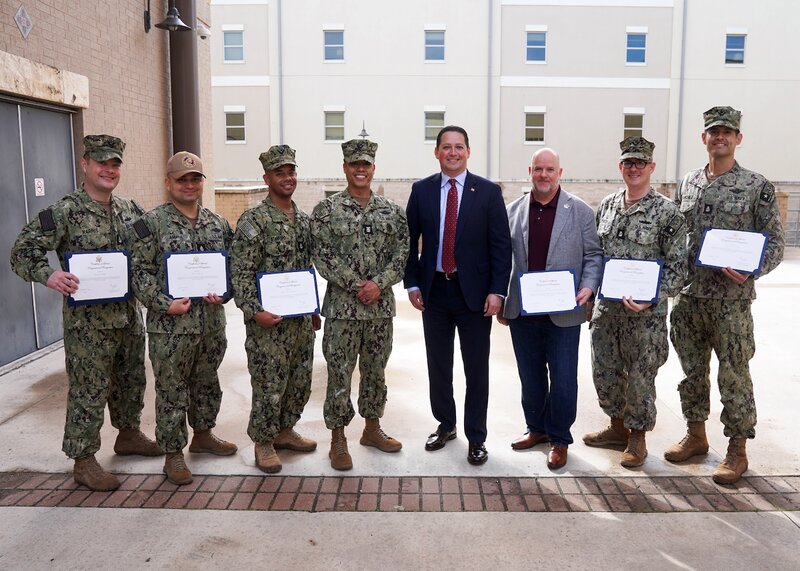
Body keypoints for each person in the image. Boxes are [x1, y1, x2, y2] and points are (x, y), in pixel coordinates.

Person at [10, 135, 161, 491]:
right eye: (101, 162)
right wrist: (49, 275)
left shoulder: (130, 209)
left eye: (114, 164)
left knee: (131, 380)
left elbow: (153, 248)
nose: (108, 170)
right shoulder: (63, 212)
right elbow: (22, 251)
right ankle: (83, 460)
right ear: (85, 164)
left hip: (127, 317)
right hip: (88, 326)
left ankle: (128, 435)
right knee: (88, 389)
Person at [666, 106, 784, 484]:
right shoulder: (688, 183)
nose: (720, 137)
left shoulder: (756, 186)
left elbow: (775, 244)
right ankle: (696, 435)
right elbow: (679, 237)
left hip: (731, 301)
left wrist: (752, 269)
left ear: (738, 138)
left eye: (727, 132)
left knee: (734, 375)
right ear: (704, 138)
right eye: (713, 132)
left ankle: (737, 449)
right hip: (689, 298)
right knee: (692, 372)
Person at [404, 126, 512, 466]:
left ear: (468, 152)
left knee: (476, 368)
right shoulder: (421, 191)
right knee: (439, 365)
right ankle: (446, 424)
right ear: (436, 152)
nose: (453, 152)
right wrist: (412, 284)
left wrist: (497, 291)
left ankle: (476, 436)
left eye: (459, 147)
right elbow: (408, 242)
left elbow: (501, 247)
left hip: (475, 297)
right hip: (434, 292)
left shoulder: (488, 192)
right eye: (447, 147)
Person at [130, 151, 237, 486]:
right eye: (182, 179)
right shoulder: (150, 224)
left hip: (211, 324)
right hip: (171, 328)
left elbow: (232, 268)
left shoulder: (217, 223)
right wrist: (165, 303)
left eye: (195, 179)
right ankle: (173, 453)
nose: (189, 185)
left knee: (207, 381)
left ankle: (203, 435)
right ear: (168, 182)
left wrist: (225, 294)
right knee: (172, 389)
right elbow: (138, 273)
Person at [582, 137, 687, 468]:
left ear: (651, 166)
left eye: (640, 162)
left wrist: (651, 297)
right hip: (608, 313)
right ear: (621, 167)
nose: (634, 168)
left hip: (645, 317)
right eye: (628, 162)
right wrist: (589, 294)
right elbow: (595, 256)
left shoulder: (667, 213)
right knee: (605, 371)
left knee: (641, 377)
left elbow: (678, 268)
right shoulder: (608, 206)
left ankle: (637, 438)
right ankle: (616, 428)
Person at [499, 148, 602, 470]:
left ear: (560, 172)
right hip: (523, 311)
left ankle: (559, 438)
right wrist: (502, 298)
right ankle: (536, 428)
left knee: (563, 378)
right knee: (530, 375)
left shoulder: (580, 211)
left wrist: (589, 286)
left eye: (550, 169)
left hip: (565, 311)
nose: (543, 175)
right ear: (530, 171)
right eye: (538, 169)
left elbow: (594, 255)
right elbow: (503, 259)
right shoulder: (512, 211)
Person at [311, 139, 409, 471]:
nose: (360, 169)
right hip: (342, 310)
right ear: (345, 168)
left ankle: (372, 428)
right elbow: (322, 256)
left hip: (379, 310)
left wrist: (378, 283)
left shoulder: (392, 211)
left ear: (374, 168)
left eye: (366, 164)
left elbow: (402, 254)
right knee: (339, 373)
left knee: (375, 372)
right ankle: (338, 438)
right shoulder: (326, 211)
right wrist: (357, 285)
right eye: (355, 164)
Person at [230, 145, 320, 474]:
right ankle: (263, 441)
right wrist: (255, 312)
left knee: (299, 380)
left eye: (291, 172)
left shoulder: (304, 221)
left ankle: (285, 430)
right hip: (267, 324)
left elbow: (306, 268)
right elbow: (240, 272)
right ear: (267, 178)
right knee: (269, 383)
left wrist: (312, 307)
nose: (287, 178)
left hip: (299, 321)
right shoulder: (254, 221)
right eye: (279, 173)